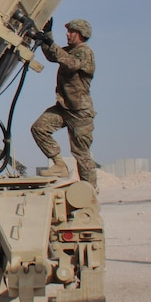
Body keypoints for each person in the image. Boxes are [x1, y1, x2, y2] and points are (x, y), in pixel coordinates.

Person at [31, 18, 97, 185]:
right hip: (64, 107)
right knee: (39, 128)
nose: (68, 34)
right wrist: (47, 35)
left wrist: (50, 43)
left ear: (80, 34)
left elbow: (70, 64)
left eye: (71, 32)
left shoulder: (84, 52)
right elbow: (54, 56)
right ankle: (59, 164)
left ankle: (90, 191)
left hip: (79, 112)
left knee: (81, 154)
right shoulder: (71, 50)